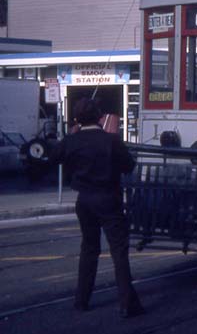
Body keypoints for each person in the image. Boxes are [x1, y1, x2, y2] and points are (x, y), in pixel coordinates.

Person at [50, 97, 144, 318]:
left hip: (84, 201)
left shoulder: (72, 140)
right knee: (119, 251)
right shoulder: (111, 141)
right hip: (108, 198)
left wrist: (71, 139)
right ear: (100, 117)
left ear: (77, 119)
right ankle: (126, 303)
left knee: (89, 248)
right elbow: (129, 165)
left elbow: (53, 158)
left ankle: (82, 300)